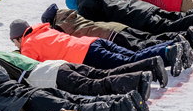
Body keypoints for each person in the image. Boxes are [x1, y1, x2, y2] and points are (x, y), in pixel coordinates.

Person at [0, 51, 145, 111]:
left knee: (78, 110)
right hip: (39, 92)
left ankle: (121, 107)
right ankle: (125, 100)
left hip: (31, 103)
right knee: (79, 101)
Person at [10, 19, 183, 75]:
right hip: (92, 42)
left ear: (18, 38)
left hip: (85, 55)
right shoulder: (44, 30)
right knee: (133, 55)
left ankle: (169, 52)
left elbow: (31, 67)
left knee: (128, 63)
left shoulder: (28, 45)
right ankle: (173, 45)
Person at [38, 2, 190, 61]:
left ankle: (173, 46)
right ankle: (182, 37)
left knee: (140, 47)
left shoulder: (61, 27)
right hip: (114, 27)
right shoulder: (71, 15)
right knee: (147, 39)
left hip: (108, 35)